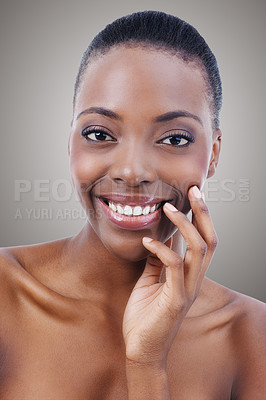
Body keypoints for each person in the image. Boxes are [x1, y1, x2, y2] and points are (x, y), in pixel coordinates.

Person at [0, 10, 265, 400]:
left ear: (213, 154)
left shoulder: (251, 333)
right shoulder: (6, 295)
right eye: (99, 133)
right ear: (69, 140)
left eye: (174, 139)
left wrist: (146, 364)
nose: (131, 171)